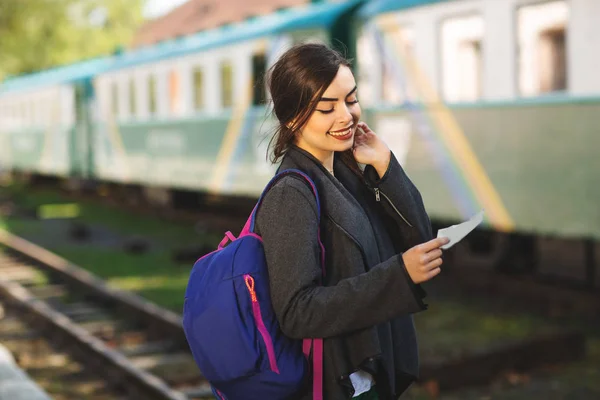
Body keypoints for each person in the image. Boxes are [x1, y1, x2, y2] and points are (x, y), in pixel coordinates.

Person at [255, 43, 449, 400]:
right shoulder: (291, 195)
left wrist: (385, 164)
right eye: (327, 107)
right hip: (338, 384)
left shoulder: (344, 176)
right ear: (293, 117)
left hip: (367, 377)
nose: (346, 116)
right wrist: (398, 276)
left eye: (351, 100)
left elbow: (419, 239)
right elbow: (298, 312)